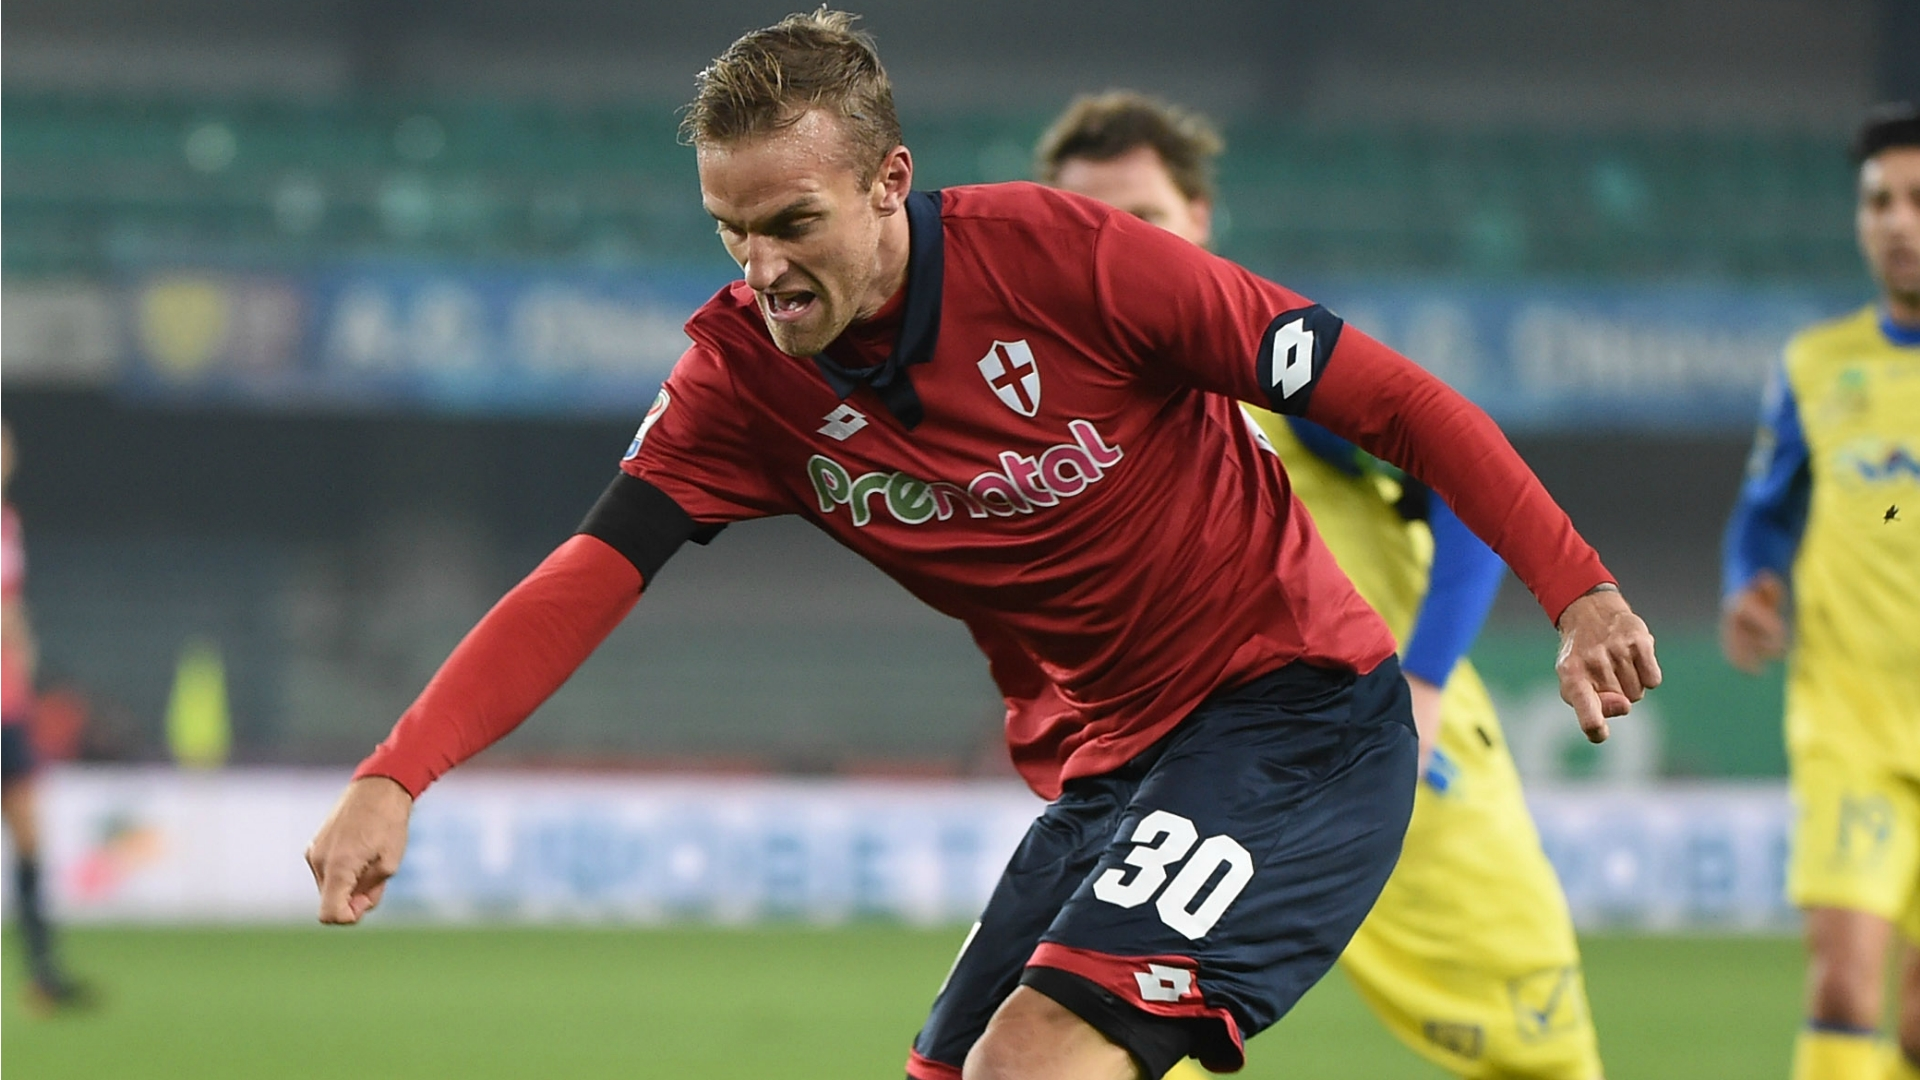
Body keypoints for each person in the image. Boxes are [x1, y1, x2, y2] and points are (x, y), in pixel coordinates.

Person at [306, 12, 1659, 1080]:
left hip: (1295, 720)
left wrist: (1579, 588)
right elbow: (588, 574)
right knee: (952, 1071)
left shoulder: (1075, 262)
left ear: (889, 184)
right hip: (1112, 769)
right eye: (732, 230)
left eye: (794, 225)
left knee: (1033, 1060)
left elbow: (1400, 400)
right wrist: (399, 771)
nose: (763, 270)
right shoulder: (738, 384)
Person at [1035, 91, 1604, 1080]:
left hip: (1398, 753)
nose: (1121, 248)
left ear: (1200, 219)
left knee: (1542, 1059)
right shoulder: (1044, 420)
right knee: (1091, 1039)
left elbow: (1461, 492)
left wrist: (1424, 681)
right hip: (1195, 784)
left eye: (1146, 218)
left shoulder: (1272, 368)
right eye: (1092, 222)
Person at [1721, 102, 1920, 1080]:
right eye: (1879, 201)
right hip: (1851, 724)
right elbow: (1764, 514)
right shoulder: (1816, 365)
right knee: (1843, 985)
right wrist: (1748, 588)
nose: (1899, 222)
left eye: (1918, 200)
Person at [2, 420, 90, 1011]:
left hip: (7, 705)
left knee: (29, 834)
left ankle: (42, 973)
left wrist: (24, 661)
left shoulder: (8, 525)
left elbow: (12, 610)